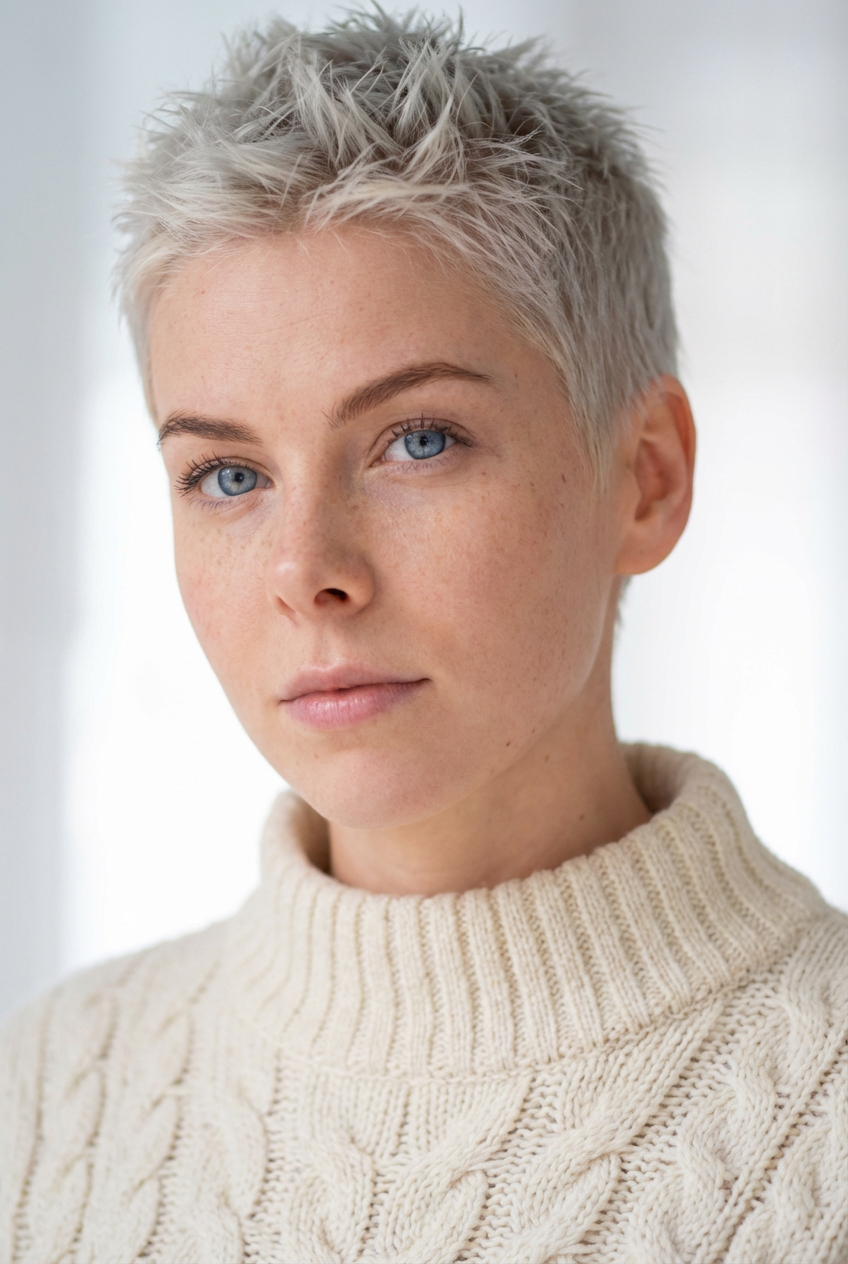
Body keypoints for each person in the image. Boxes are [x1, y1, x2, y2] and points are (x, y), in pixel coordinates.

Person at [1, 9, 845, 1262]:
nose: (306, 575)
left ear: (645, 478)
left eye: (417, 440)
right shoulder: (46, 1091)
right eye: (228, 475)